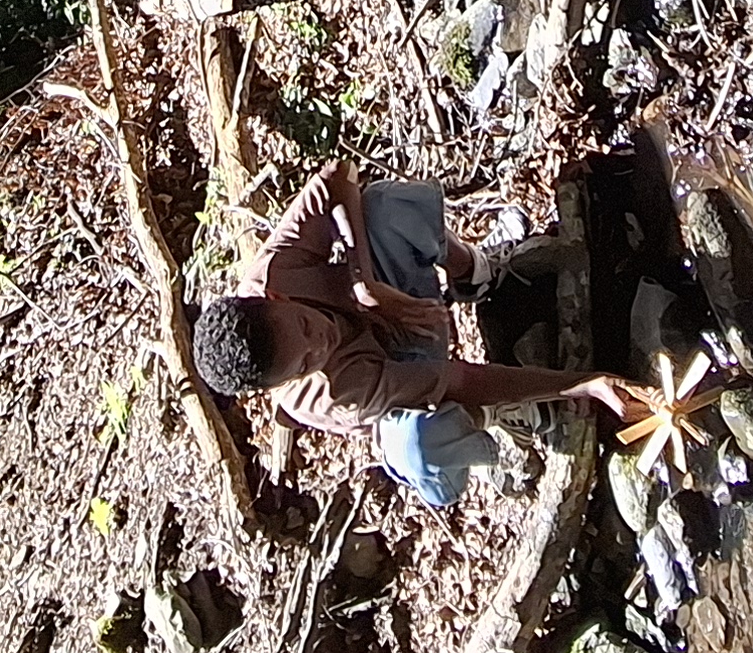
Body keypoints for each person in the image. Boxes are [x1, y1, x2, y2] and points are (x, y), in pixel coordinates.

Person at [192, 158, 637, 507]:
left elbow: (338, 176)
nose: (320, 341)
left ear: (277, 300)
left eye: (305, 326)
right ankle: (495, 421)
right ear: (288, 381)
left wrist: (364, 282)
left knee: (382, 207)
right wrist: (583, 385)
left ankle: (480, 275)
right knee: (420, 446)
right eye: (306, 361)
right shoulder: (337, 393)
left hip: (392, 299)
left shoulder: (275, 273)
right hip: (399, 374)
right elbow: (463, 379)